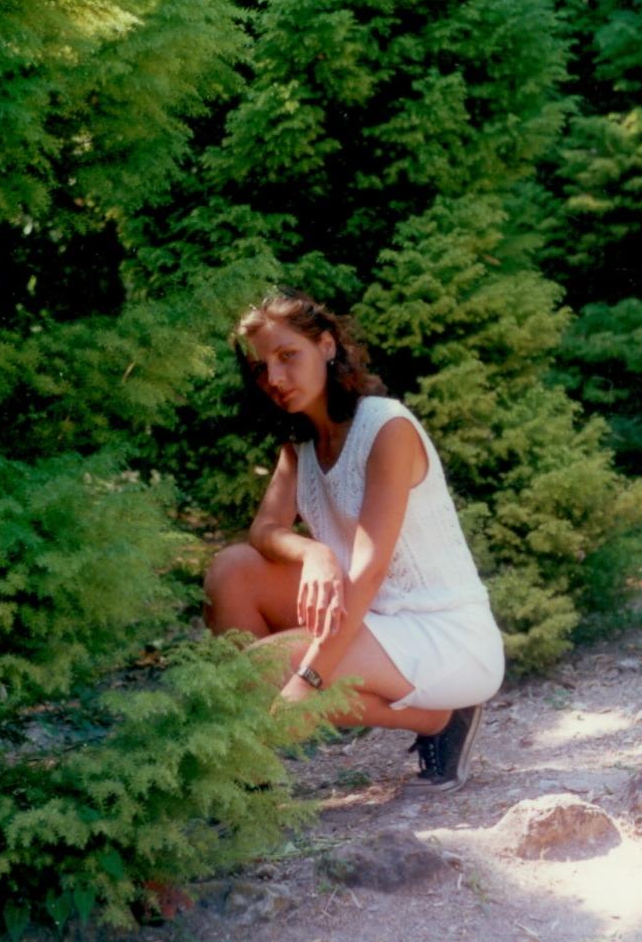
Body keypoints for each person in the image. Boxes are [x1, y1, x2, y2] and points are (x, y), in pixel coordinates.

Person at [204, 288, 505, 790]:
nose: (274, 378)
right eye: (261, 368)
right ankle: (256, 772)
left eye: (287, 356)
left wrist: (307, 682)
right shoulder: (301, 445)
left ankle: (440, 716)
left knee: (259, 672)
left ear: (326, 345)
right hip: (368, 617)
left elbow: (368, 571)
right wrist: (314, 552)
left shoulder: (386, 427)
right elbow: (264, 529)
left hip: (442, 635)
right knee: (231, 571)